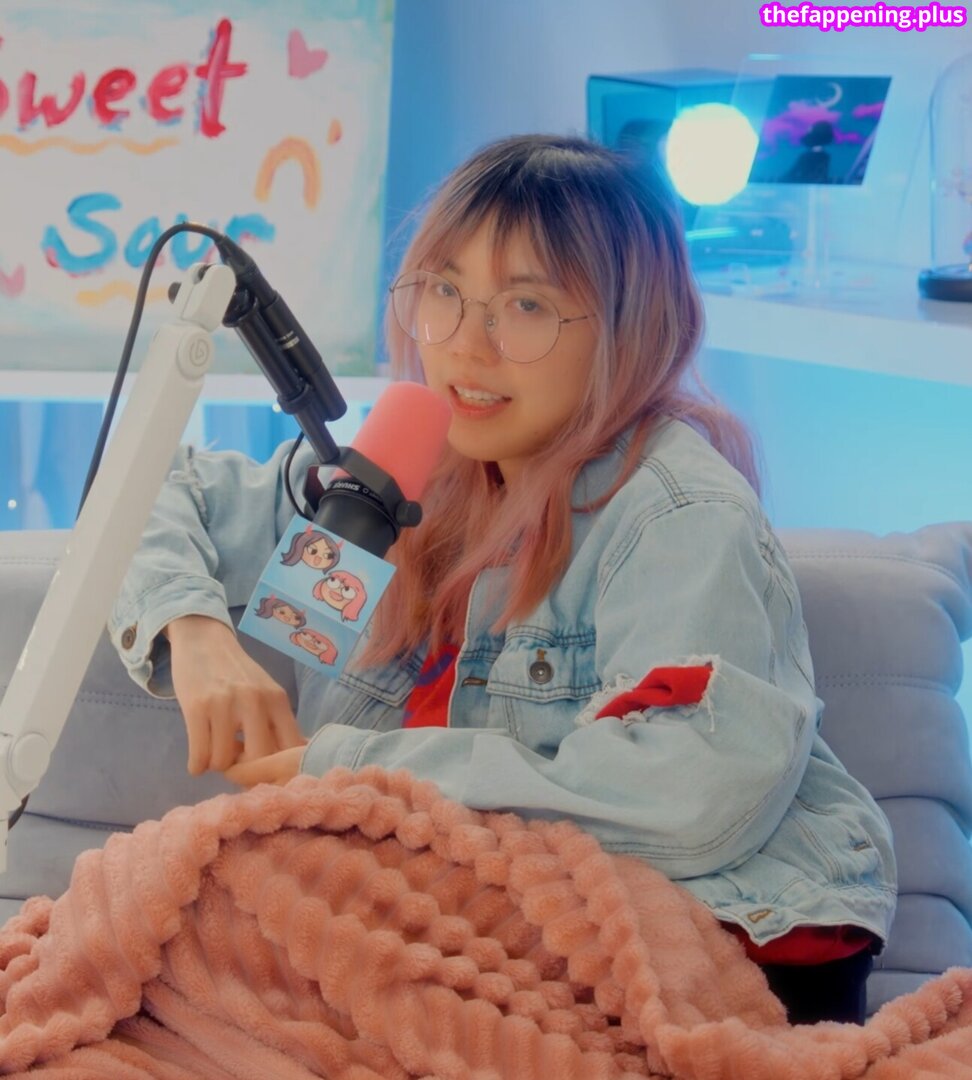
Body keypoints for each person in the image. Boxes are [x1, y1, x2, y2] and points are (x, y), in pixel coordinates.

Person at [108, 134, 895, 1026]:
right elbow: (143, 487)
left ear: (632, 329)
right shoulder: (405, 471)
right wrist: (195, 634)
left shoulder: (678, 515)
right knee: (181, 907)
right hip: (496, 925)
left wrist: (355, 771)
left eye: (525, 306)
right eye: (444, 292)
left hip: (727, 948)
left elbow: (687, 797)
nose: (466, 347)